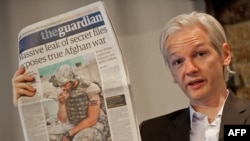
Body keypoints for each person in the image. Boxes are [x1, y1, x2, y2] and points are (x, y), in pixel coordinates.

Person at [139, 11, 250, 141]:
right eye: (178, 62)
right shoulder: (152, 132)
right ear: (172, 72)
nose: (190, 69)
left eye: (200, 54)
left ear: (225, 55)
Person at [12, 65, 110, 141]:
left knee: (81, 138)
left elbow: (92, 119)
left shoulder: (90, 87)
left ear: (73, 79)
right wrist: (62, 103)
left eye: (64, 84)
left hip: (94, 124)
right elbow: (63, 120)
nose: (62, 88)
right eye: (60, 85)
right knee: (47, 135)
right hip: (73, 124)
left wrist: (69, 134)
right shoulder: (64, 91)